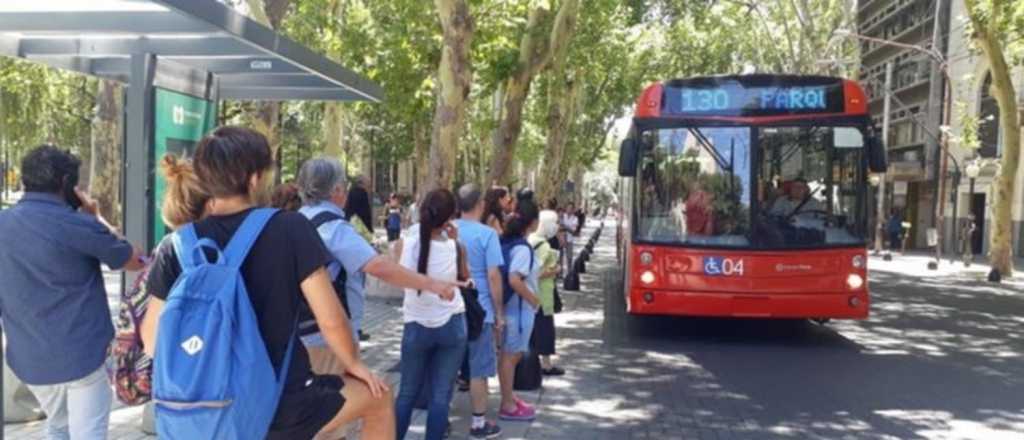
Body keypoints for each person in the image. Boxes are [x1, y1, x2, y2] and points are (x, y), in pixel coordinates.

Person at [141, 127, 395, 439]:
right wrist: (354, 363)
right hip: (280, 405)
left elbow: (152, 340)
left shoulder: (176, 244)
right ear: (254, 179)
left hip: (201, 411)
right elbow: (330, 319)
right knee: (380, 399)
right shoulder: (288, 228)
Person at [0, 145, 146, 440]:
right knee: (87, 433)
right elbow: (134, 259)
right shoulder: (77, 224)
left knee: (58, 426)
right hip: (83, 357)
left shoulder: (4, 223)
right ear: (66, 183)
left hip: (30, 359)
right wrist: (96, 217)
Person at [296, 157, 459, 358]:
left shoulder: (297, 219)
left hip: (298, 331)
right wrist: (434, 285)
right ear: (337, 190)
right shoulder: (335, 228)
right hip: (329, 339)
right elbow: (379, 267)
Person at [395, 189, 467, 440]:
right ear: (449, 218)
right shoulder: (452, 247)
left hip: (416, 324)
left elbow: (400, 277)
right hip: (452, 324)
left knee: (406, 393)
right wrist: (457, 242)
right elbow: (464, 278)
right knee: (440, 396)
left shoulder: (409, 243)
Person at [453, 184, 506, 439]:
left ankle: (438, 421)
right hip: (480, 310)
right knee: (479, 369)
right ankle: (478, 423)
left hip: (449, 307)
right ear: (480, 205)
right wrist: (499, 312)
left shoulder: (447, 230)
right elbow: (494, 276)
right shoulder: (487, 235)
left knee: (445, 368)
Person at [498, 200, 542, 422]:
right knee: (512, 356)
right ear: (533, 223)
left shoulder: (508, 241)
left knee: (508, 355)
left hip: (510, 308)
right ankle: (507, 405)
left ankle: (509, 397)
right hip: (519, 310)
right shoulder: (523, 248)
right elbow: (514, 279)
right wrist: (533, 300)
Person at [529, 209, 564, 376]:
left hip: (532, 295)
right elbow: (536, 272)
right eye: (555, 223)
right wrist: (555, 270)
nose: (557, 226)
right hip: (543, 295)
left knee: (535, 329)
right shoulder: (543, 245)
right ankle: (546, 365)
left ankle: (535, 362)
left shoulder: (530, 239)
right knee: (545, 330)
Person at [560, 202, 580, 273]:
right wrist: (567, 228)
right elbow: (560, 227)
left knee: (569, 257)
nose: (569, 209)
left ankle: (569, 273)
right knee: (560, 257)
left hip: (570, 240)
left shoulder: (575, 218)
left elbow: (573, 231)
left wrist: (565, 227)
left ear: (573, 210)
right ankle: (560, 272)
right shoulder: (562, 216)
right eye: (568, 208)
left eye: (571, 208)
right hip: (561, 239)